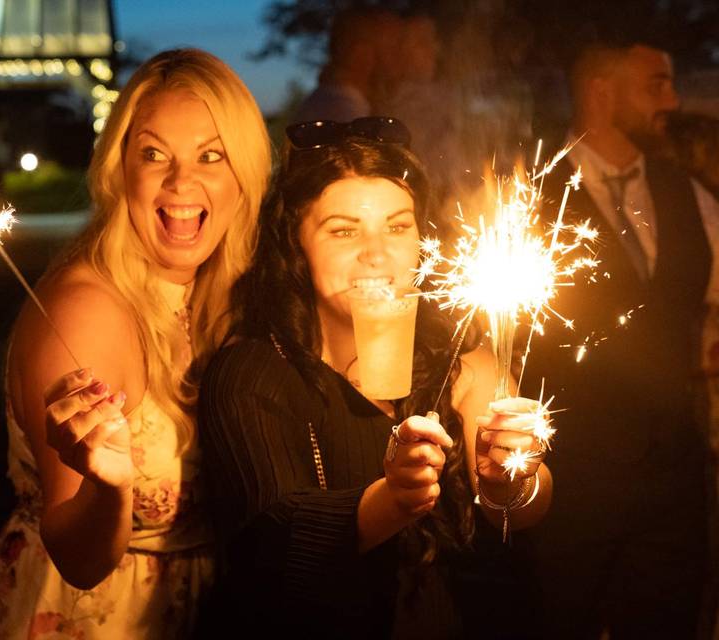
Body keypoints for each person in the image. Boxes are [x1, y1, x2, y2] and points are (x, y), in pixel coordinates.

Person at [198, 118, 553, 638]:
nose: (377, 253)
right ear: (296, 245)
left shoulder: (463, 362)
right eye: (343, 231)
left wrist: (515, 474)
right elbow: (269, 543)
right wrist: (393, 498)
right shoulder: (253, 374)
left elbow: (517, 511)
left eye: (397, 225)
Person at [0, 49, 271, 639]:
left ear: (245, 174)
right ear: (120, 171)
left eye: (211, 155)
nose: (182, 181)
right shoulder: (86, 311)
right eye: (154, 154)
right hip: (90, 619)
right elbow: (79, 559)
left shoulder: (235, 296)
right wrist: (108, 487)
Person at [525, 40, 719, 639]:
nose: (674, 99)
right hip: (566, 489)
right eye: (656, 84)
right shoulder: (528, 195)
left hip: (672, 485)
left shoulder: (687, 193)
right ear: (601, 91)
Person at [293, 7, 403, 124]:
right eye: (382, 47)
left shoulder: (322, 98)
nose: (387, 59)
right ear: (358, 52)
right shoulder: (344, 108)